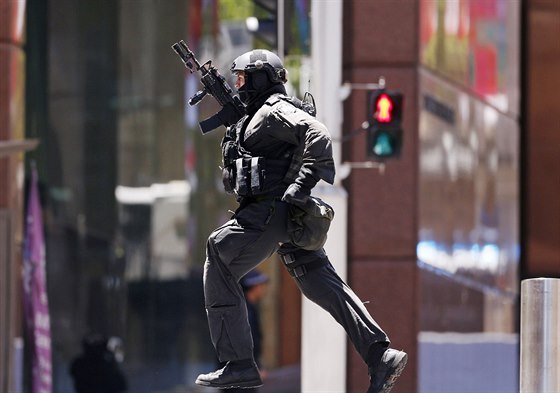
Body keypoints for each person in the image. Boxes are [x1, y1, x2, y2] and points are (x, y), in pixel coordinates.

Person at [195, 49, 407, 393]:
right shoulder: (258, 114)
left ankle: (238, 363)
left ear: (262, 78)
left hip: (269, 212)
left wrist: (300, 185)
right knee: (321, 283)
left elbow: (318, 135)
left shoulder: (274, 110)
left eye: (243, 78)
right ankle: (380, 354)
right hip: (285, 218)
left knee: (218, 253)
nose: (237, 84)